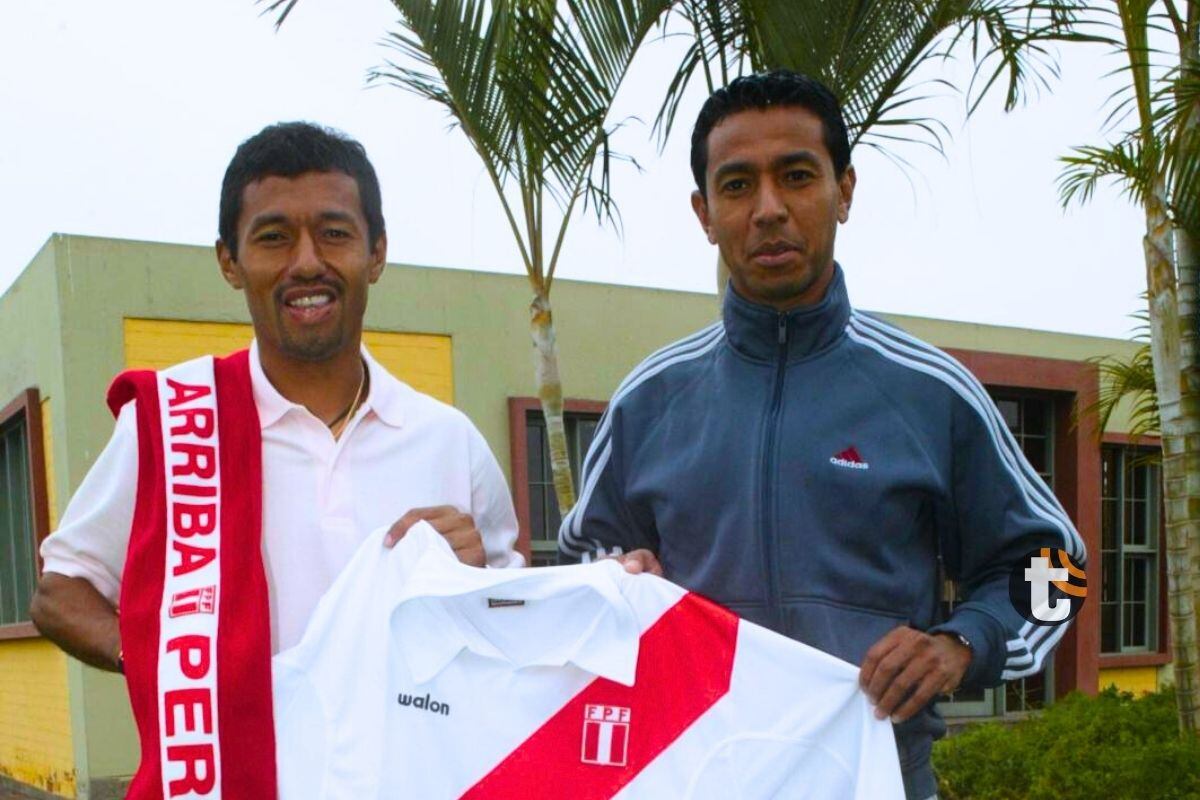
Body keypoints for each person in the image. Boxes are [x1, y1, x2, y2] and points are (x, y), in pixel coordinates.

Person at [557, 71, 1084, 800]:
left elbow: (1060, 569)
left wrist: (963, 642)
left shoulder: (930, 391)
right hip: (689, 776)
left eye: (797, 177)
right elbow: (586, 562)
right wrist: (617, 577)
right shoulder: (650, 399)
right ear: (704, 212)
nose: (769, 210)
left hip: (874, 777)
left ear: (845, 190)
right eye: (737, 186)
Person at [30, 122, 522, 796]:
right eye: (273, 237)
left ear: (376, 253)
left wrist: (479, 584)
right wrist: (167, 659)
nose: (306, 262)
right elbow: (60, 593)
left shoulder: (448, 439)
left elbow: (515, 631)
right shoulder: (169, 424)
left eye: (335, 232)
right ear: (229, 261)